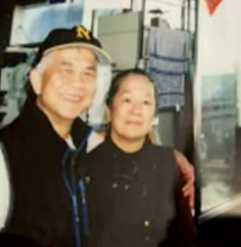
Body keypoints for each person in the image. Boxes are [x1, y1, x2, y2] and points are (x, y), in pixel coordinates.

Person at [0, 26, 109, 247]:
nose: (78, 83)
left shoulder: (92, 146)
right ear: (37, 80)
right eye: (66, 70)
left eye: (88, 73)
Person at [78, 69, 195, 247]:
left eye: (146, 102)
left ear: (153, 115)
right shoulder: (85, 168)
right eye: (127, 100)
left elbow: (186, 236)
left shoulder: (169, 163)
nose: (136, 110)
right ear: (108, 109)